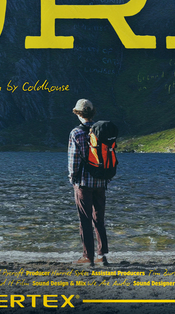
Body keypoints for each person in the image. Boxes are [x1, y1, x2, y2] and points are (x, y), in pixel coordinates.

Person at [68, 99, 109, 267]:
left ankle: (88, 256)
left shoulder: (76, 133)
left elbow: (73, 161)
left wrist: (73, 179)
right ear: (93, 113)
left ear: (78, 113)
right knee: (99, 219)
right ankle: (102, 255)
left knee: (85, 220)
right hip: (101, 181)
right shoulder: (102, 131)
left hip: (84, 182)